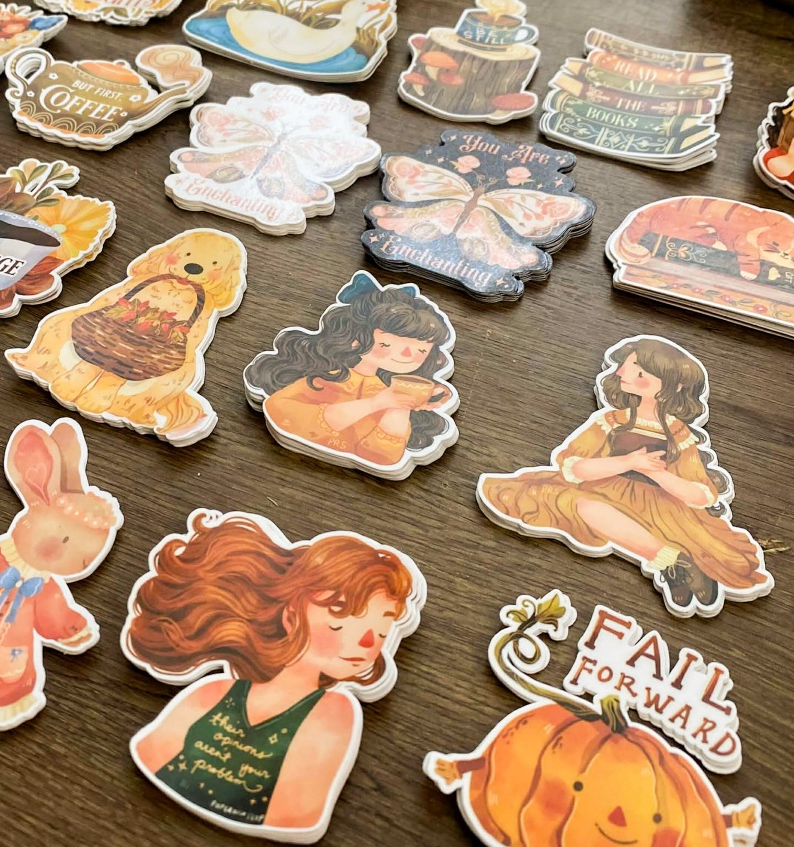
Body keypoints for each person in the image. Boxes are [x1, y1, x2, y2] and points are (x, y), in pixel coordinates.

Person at [125, 511, 423, 840]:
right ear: (291, 615)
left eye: (380, 629)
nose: (367, 643)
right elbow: (149, 755)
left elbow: (295, 818)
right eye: (341, 619)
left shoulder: (334, 714)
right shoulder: (215, 692)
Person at [479, 337, 771, 613]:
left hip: (662, 508)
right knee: (576, 504)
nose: (622, 374)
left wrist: (655, 473)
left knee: (723, 557)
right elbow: (574, 468)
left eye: (639, 372)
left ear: (674, 386)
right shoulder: (611, 421)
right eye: (626, 368)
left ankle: (681, 564)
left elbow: (700, 494)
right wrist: (629, 461)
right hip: (598, 491)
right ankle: (672, 561)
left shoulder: (679, 434)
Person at [244, 273, 456, 471]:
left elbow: (383, 457)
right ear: (356, 340)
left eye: (421, 351)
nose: (406, 355)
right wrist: (374, 404)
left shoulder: (385, 391)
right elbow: (280, 410)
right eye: (387, 344)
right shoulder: (326, 378)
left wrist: (400, 405)